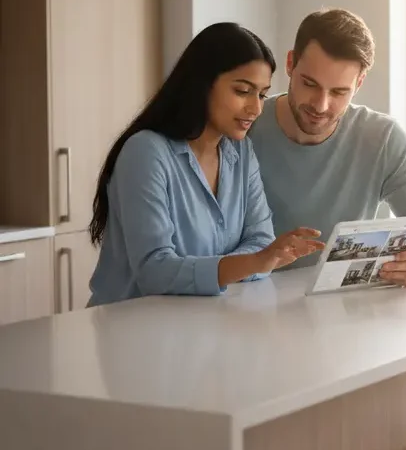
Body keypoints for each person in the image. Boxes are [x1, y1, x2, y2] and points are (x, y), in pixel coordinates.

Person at [87, 22, 325, 307]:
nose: (256, 108)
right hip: (131, 329)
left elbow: (260, 239)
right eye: (242, 91)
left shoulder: (241, 152)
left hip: (199, 324)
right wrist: (256, 262)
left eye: (261, 94)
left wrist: (257, 260)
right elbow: (154, 271)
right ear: (202, 84)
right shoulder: (146, 152)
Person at [247, 8, 406, 287]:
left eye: (339, 92)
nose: (320, 105)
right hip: (249, 304)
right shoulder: (246, 126)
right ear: (290, 63)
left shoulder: (381, 138)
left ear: (359, 83)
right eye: (309, 84)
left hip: (340, 311)